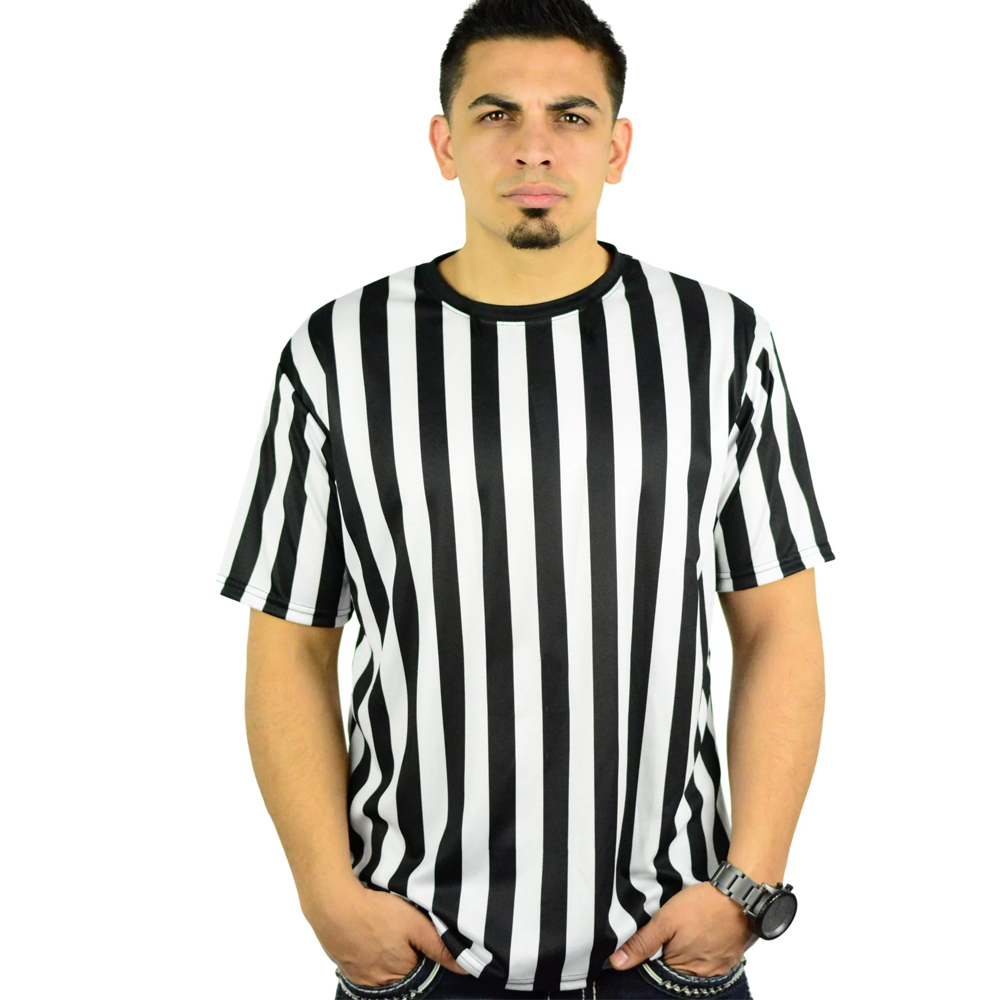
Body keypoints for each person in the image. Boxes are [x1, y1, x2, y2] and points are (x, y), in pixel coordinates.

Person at [215, 2, 834, 997]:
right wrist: (327, 894)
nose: (534, 147)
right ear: (443, 142)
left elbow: (778, 627)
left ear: (617, 148)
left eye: (571, 116)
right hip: (417, 951)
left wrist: (746, 885)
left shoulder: (717, 342)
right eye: (496, 113)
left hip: (669, 947)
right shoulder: (338, 353)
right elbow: (291, 643)